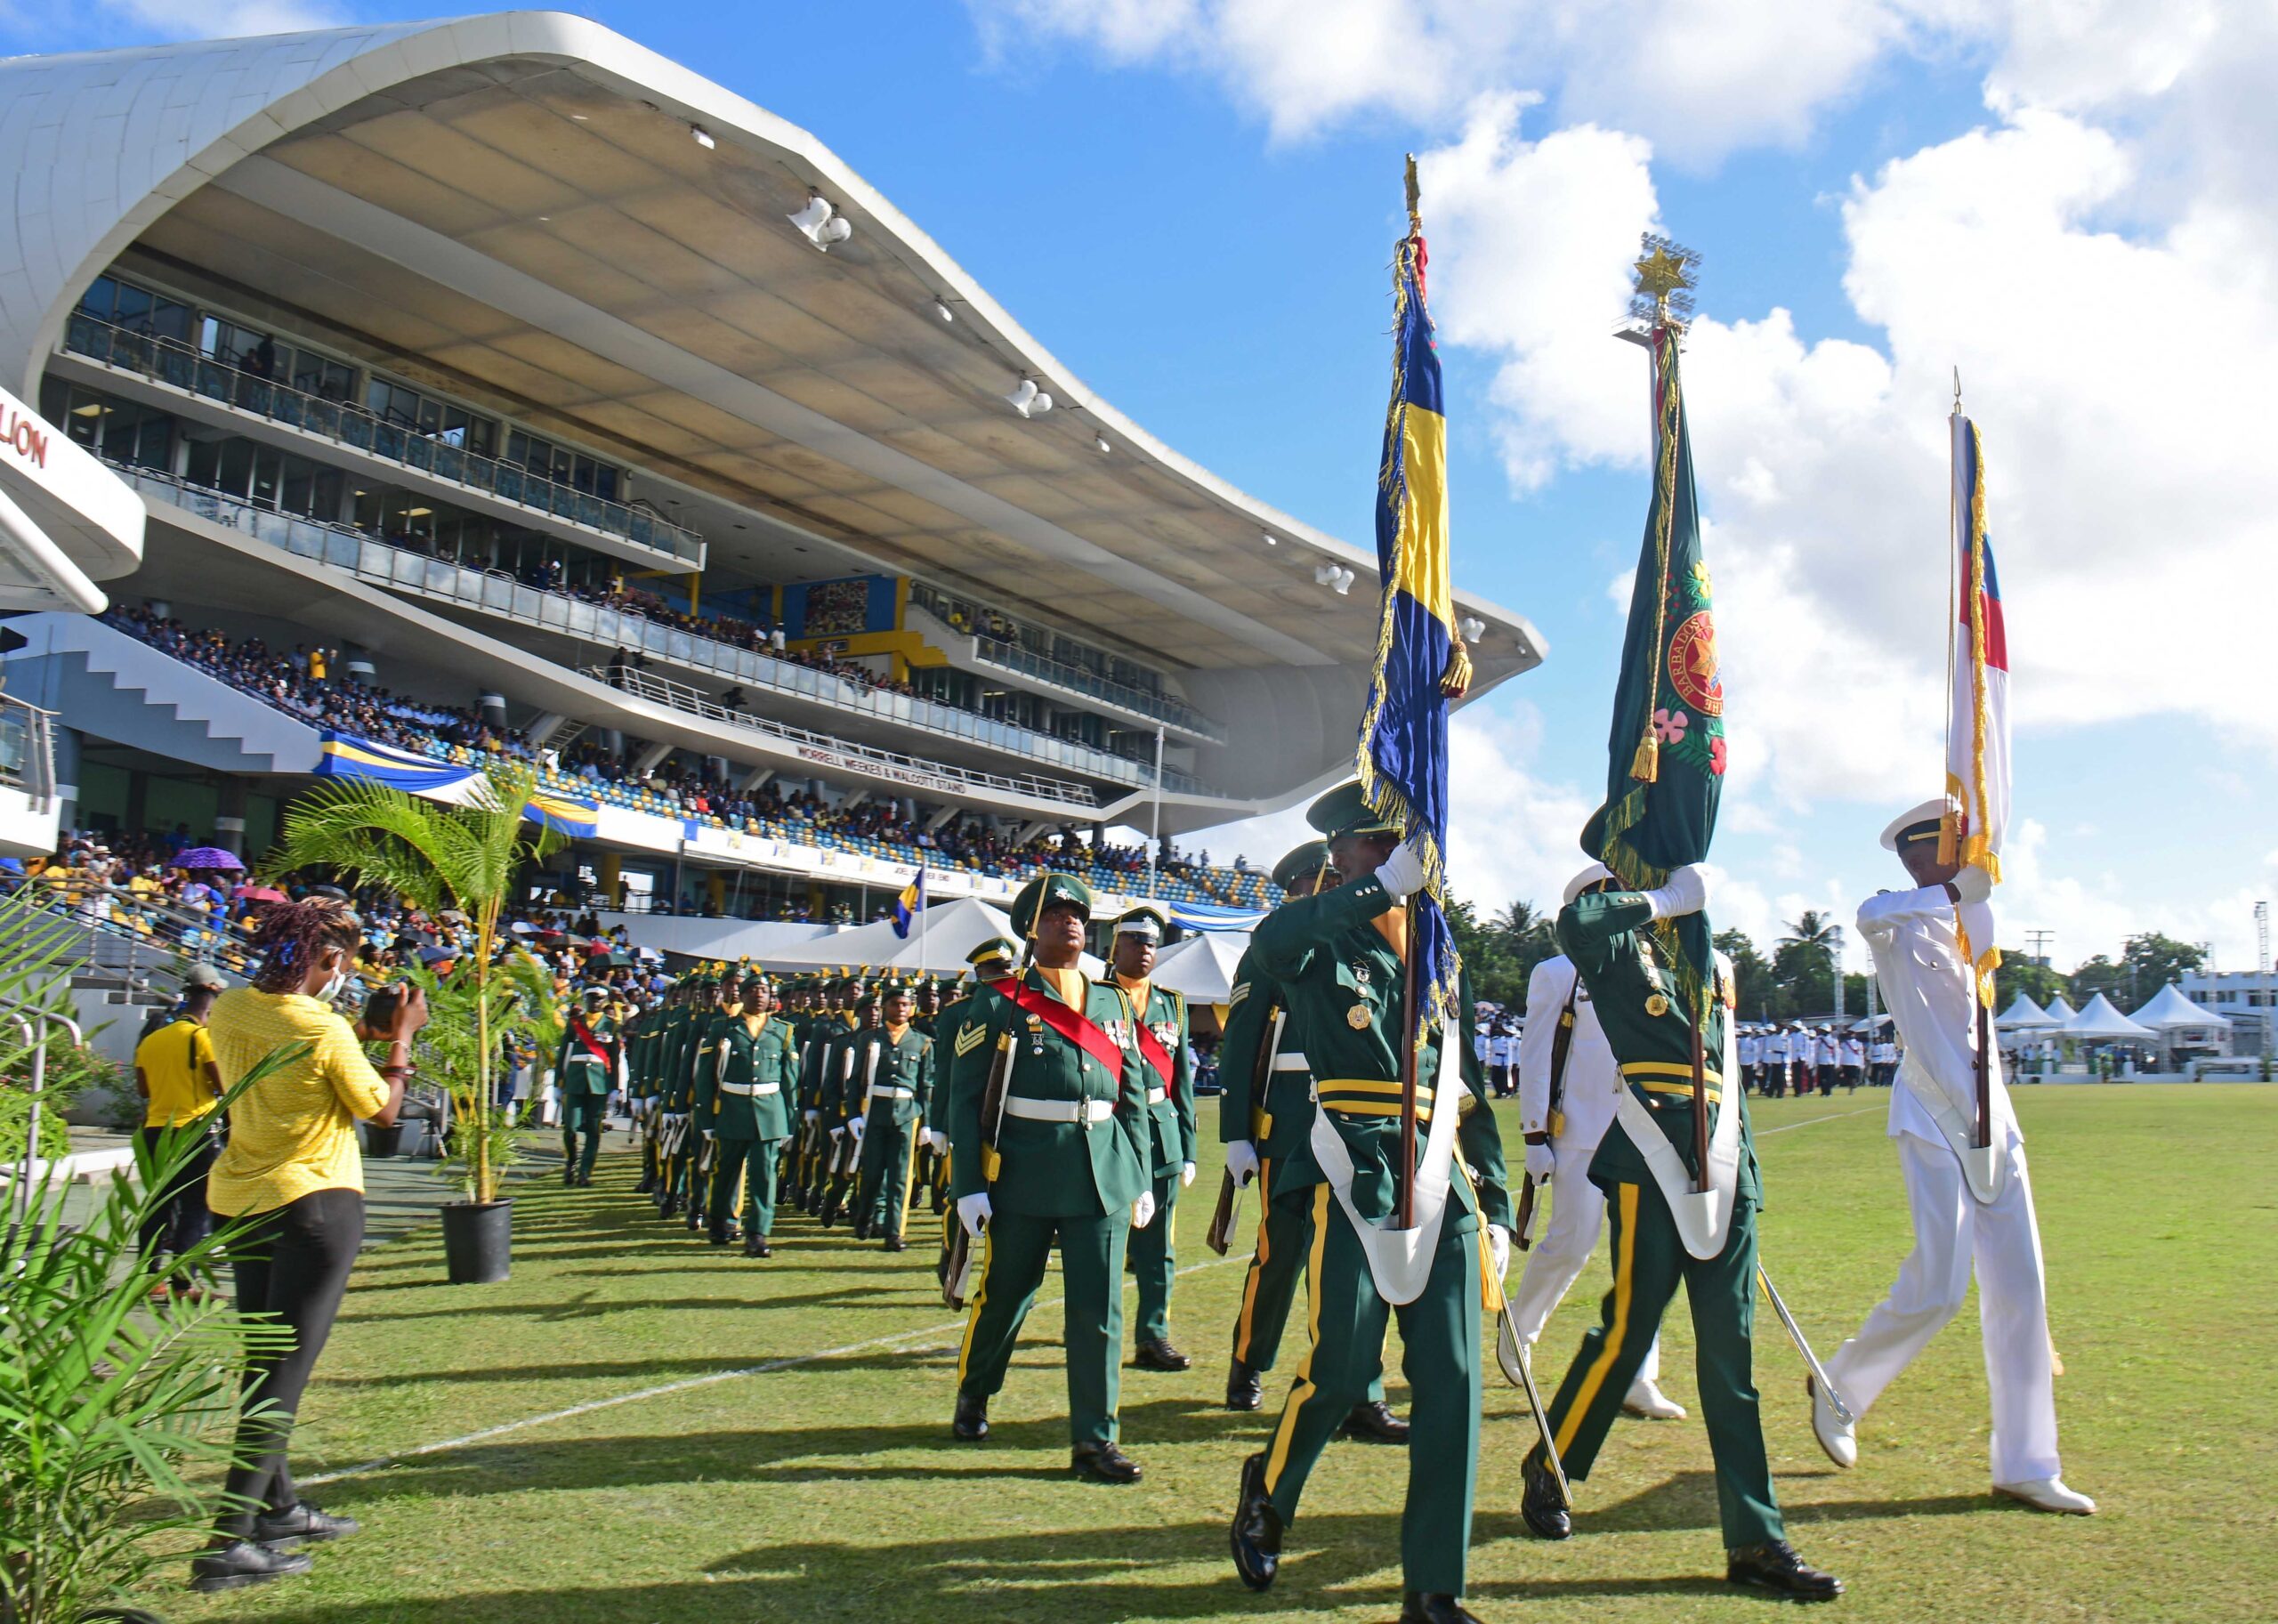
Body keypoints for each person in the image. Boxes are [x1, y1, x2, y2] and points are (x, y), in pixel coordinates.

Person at [1518, 834, 1839, 1601]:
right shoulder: (1611, 949)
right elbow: (1576, 922)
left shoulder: (1712, 959)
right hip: (1646, 1156)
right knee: (1628, 1330)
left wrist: (1742, 1174)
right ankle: (1553, 1462)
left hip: (1721, 1160)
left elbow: (1725, 1064)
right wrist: (1662, 900)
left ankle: (1756, 1538)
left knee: (1731, 1357)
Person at [1228, 784, 1512, 1624]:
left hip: (1437, 1168)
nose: (1395, 856)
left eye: (1402, 844)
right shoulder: (1322, 931)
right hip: (1350, 1162)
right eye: (1376, 845)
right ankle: (1270, 1488)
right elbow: (1270, 944)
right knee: (1344, 1363)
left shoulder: (1439, 950)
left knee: (1452, 1378)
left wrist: (1495, 1198)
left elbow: (1465, 1083)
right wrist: (1376, 891)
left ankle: (1433, 1587)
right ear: (1341, 854)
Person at [1809, 802, 2094, 1515]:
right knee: (1940, 1286)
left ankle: (2028, 1463)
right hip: (1932, 1116)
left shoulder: (1977, 918)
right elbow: (1869, 914)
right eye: (1953, 844)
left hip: (1993, 1116)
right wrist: (1951, 891)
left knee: (2022, 1292)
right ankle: (1840, 1384)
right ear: (1919, 857)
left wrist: (1967, 896)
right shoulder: (1897, 918)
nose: (1971, 851)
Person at [192, 896, 426, 1594]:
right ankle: (227, 1541)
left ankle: (279, 1508)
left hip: (240, 1196)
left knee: (265, 1359)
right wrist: (401, 1038)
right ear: (328, 958)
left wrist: (360, 1034)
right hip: (315, 1202)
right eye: (343, 963)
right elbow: (382, 1111)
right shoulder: (323, 1027)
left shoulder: (231, 1006)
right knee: (283, 1374)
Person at [947, 872, 1157, 1483]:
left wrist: (1141, 1175)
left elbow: (1132, 1096)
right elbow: (966, 1099)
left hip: (1103, 1171)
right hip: (1025, 1169)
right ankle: (976, 1391)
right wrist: (969, 1184)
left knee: (1099, 1310)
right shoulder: (999, 1000)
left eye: (1077, 915)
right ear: (1030, 930)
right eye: (1055, 914)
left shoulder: (1113, 1001)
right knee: (1008, 1293)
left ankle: (1095, 1439)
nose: (1070, 922)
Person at [1218, 840, 1405, 1442]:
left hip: (1356, 1121)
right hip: (1292, 1121)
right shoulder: (1280, 946)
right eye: (1314, 887)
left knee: (1361, 1260)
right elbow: (1242, 1043)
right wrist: (1238, 1132)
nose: (1326, 894)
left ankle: (1362, 1389)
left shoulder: (1372, 944)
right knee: (1281, 1252)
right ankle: (1250, 1358)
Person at [1507, 862, 1684, 1423]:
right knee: (1572, 1244)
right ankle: (1520, 1328)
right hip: (1581, 1132)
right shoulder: (1560, 972)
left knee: (1645, 1257)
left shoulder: (1656, 968)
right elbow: (1537, 1053)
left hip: (1644, 1134)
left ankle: (1638, 1375)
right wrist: (1535, 1134)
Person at [1109, 906, 1198, 1370]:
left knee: (1158, 1247)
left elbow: (1182, 1082)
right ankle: (1093, 1328)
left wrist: (1189, 1148)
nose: (1145, 950)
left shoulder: (1172, 1004)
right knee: (1102, 1243)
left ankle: (1153, 1335)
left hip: (1161, 1135)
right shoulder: (1094, 997)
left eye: (1151, 943)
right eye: (1135, 941)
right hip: (1109, 1131)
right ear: (1115, 946)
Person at [133, 962, 227, 1297]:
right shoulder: (202, 1038)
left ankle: (150, 1278)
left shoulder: (152, 1040)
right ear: (213, 994)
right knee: (197, 1206)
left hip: (156, 1131)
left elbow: (144, 1090)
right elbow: (224, 1086)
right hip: (195, 1130)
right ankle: (182, 1282)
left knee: (158, 1204)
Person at [701, 973, 797, 1256]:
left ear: (771, 998)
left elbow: (790, 1081)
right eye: (752, 991)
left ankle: (758, 1234)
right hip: (733, 1108)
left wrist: (789, 1122)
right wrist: (706, 1119)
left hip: (770, 1112)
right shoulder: (723, 1028)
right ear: (741, 996)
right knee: (726, 1172)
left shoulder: (783, 1031)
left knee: (765, 1175)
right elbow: (705, 1077)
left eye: (764, 991)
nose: (759, 996)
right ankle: (719, 1220)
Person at [851, 982, 935, 1250]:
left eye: (906, 1004)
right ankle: (865, 1216)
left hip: (907, 1114)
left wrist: (927, 1123)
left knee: (900, 1176)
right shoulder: (869, 1038)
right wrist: (853, 1114)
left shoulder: (922, 1042)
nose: (901, 1009)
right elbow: (855, 1080)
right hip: (875, 1111)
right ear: (885, 1007)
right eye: (895, 1004)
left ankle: (894, 1232)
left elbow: (925, 1086)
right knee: (872, 1172)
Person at [557, 985, 618, 1187]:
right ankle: (571, 1162)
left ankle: (585, 1172)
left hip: (599, 1083)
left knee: (594, 1129)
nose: (595, 1002)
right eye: (591, 998)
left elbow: (615, 1058)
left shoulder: (611, 1025)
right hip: (575, 1081)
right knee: (570, 1127)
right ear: (586, 1000)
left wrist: (615, 1087)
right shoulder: (574, 1023)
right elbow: (562, 1054)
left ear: (604, 1001)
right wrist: (559, 1081)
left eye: (599, 999)